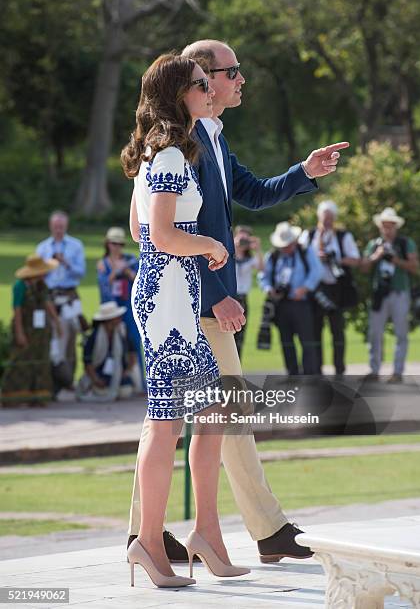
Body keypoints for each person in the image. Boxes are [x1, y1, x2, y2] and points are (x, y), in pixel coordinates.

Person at [128, 39, 349, 565]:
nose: (240, 79)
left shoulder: (210, 138)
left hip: (188, 295)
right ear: (198, 80)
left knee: (179, 416)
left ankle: (147, 534)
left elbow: (251, 192)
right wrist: (217, 296)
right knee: (220, 412)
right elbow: (161, 232)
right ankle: (262, 529)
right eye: (231, 72)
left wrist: (305, 173)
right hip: (189, 300)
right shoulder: (181, 149)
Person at [122, 54, 250, 588]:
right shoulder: (172, 152)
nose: (210, 90)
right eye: (201, 84)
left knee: (210, 407)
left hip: (166, 293)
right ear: (181, 93)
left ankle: (203, 533)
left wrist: (190, 246)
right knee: (167, 422)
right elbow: (161, 234)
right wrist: (211, 244)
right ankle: (150, 543)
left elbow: (136, 228)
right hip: (170, 301)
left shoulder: (161, 150)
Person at [300, 200, 360, 377]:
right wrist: (316, 258)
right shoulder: (309, 235)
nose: (327, 223)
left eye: (330, 219)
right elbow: (299, 256)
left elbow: (355, 260)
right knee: (315, 330)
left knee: (337, 331)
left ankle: (339, 369)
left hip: (336, 288)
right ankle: (316, 370)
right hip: (315, 289)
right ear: (319, 218)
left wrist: (336, 259)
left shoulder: (343, 236)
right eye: (324, 219)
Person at [361, 207, 420, 383]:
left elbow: (415, 267)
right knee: (375, 334)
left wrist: (396, 260)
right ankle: (374, 370)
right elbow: (363, 267)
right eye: (385, 226)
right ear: (380, 227)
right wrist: (376, 256)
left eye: (391, 226)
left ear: (396, 226)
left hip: (399, 291)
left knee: (401, 333)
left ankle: (397, 372)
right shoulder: (374, 244)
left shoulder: (404, 243)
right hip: (380, 293)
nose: (388, 229)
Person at [260, 222, 322, 375]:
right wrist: (269, 290)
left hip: (301, 303)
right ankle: (292, 374)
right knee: (286, 341)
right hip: (281, 304)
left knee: (307, 340)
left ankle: (310, 374)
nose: (286, 248)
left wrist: (305, 287)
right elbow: (264, 277)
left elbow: (317, 271)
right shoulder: (273, 256)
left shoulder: (305, 252)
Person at [1, 255, 61, 407]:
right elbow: (17, 310)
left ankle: (39, 397)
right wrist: (19, 333)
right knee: (20, 361)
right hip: (25, 328)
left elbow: (48, 304)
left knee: (41, 362)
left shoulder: (42, 285)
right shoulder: (20, 286)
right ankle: (11, 397)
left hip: (41, 331)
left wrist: (57, 322)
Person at [36, 211, 87, 390]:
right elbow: (36, 274)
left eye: (61, 226)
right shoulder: (43, 248)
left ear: (66, 227)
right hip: (49, 297)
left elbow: (81, 272)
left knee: (69, 336)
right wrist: (49, 264)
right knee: (49, 336)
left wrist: (66, 263)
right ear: (51, 226)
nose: (58, 229)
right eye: (56, 226)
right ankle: (51, 379)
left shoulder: (75, 245)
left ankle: (68, 380)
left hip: (68, 296)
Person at [97, 227, 146, 393]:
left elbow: (139, 279)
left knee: (134, 342)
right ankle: (112, 381)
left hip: (129, 308)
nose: (116, 247)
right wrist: (114, 273)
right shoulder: (102, 264)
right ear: (107, 244)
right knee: (111, 345)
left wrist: (125, 270)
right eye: (113, 243)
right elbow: (104, 287)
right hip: (111, 310)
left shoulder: (131, 260)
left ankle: (139, 384)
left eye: (119, 243)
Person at [76, 301, 135, 402]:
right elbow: (87, 362)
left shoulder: (121, 333)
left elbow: (132, 353)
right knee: (100, 390)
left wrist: (126, 371)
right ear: (109, 320)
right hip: (99, 372)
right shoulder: (94, 337)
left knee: (126, 390)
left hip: (118, 372)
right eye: (116, 317)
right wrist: (96, 380)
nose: (119, 320)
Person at [233, 225, 264, 358]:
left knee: (240, 337)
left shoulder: (250, 260)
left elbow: (262, 268)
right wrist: (234, 245)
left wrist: (257, 249)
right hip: (229, 297)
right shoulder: (228, 255)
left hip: (243, 299)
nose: (243, 242)